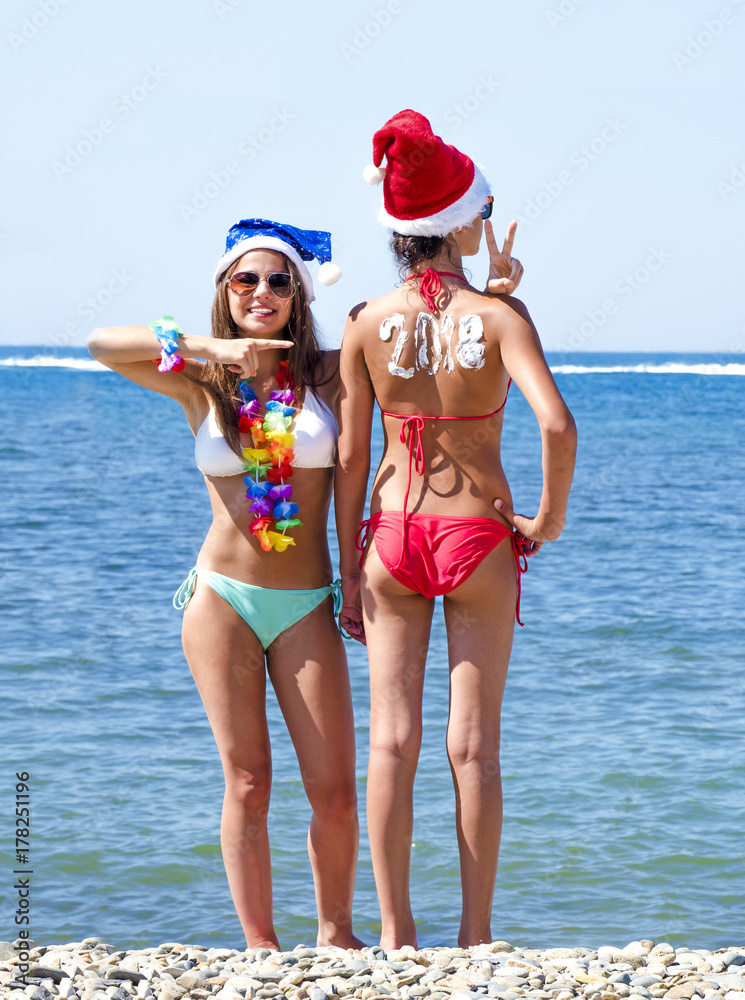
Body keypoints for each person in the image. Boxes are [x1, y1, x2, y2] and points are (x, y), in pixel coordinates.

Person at [335, 110, 577, 949]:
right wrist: (545, 520)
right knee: (473, 748)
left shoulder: (365, 322)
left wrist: (346, 563)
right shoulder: (504, 319)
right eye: (483, 207)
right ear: (460, 219)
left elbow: (350, 458)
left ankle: (396, 937)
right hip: (478, 536)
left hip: (392, 535)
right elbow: (555, 425)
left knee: (390, 740)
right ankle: (475, 937)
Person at [87, 219, 363, 950]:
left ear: (299, 295)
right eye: (245, 279)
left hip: (306, 600)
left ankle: (337, 934)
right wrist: (211, 348)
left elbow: (410, 364)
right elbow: (100, 343)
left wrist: (496, 300)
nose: (262, 292)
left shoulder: (331, 373)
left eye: (278, 280)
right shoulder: (199, 380)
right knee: (247, 782)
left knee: (334, 792)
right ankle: (260, 946)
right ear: (224, 291)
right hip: (221, 601)